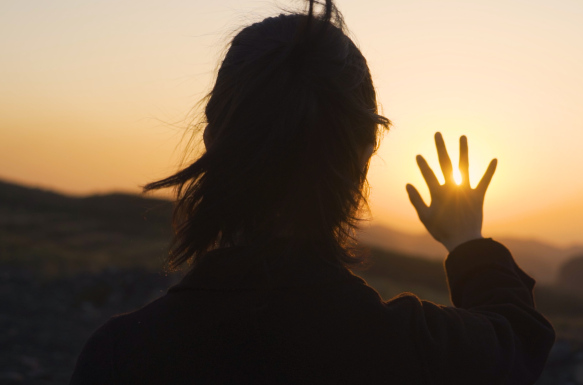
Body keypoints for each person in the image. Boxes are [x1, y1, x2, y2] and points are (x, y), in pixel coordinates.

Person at [70, 0, 555, 383]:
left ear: (212, 138)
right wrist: (467, 243)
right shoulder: (414, 350)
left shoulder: (121, 355)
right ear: (364, 156)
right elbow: (519, 338)